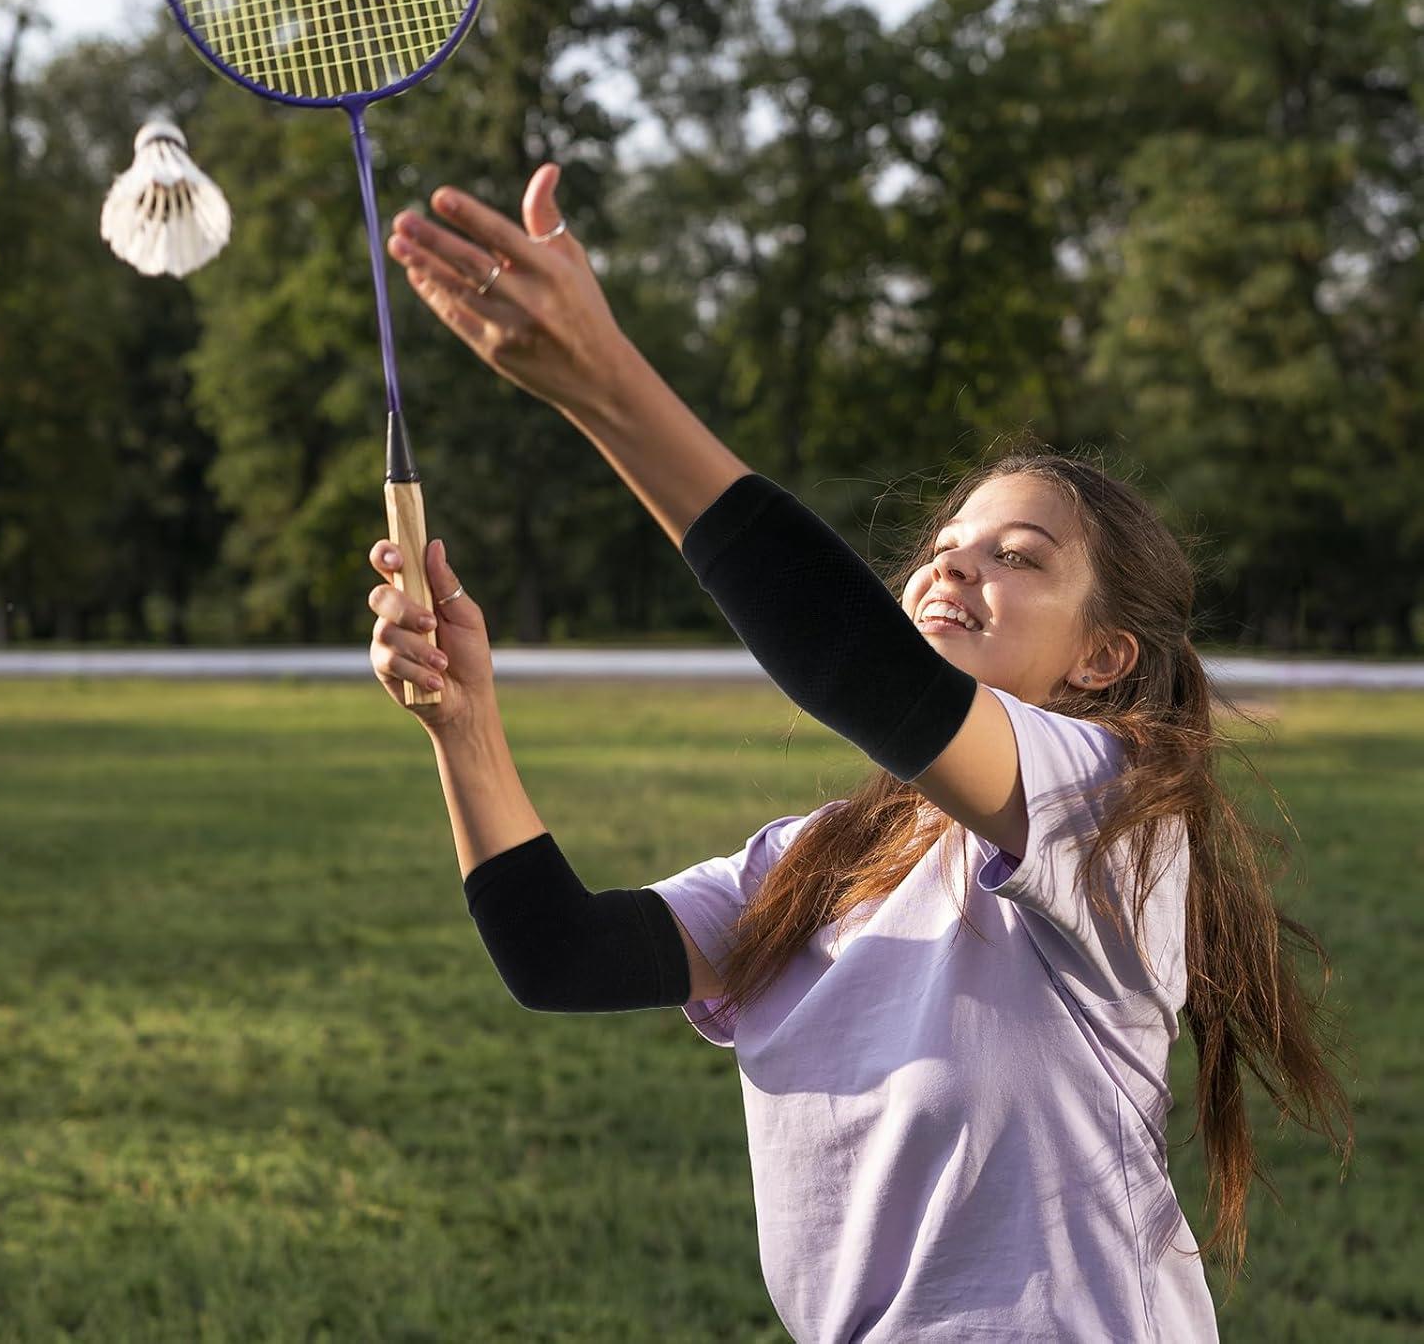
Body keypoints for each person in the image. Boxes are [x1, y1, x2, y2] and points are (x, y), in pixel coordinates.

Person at [363, 164, 1352, 1343]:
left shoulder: (1115, 814)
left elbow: (856, 668)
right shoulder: (817, 862)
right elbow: (559, 954)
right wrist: (463, 719)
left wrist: (603, 383)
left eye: (1018, 557)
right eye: (945, 545)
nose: (953, 565)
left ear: (1102, 657)